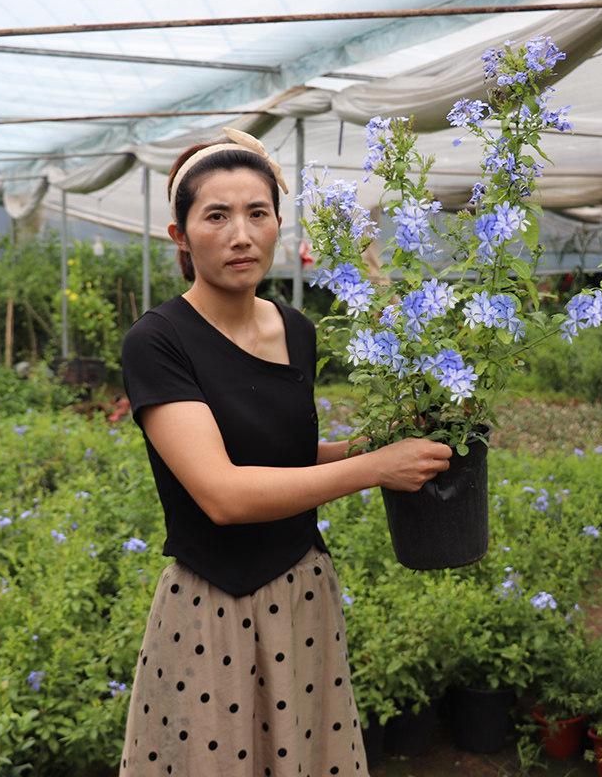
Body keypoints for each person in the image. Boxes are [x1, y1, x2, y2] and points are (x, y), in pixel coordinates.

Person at [118, 127, 452, 777]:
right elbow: (223, 494)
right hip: (212, 608)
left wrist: (365, 447)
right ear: (179, 237)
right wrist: (372, 468)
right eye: (216, 215)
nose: (241, 234)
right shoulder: (158, 342)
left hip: (302, 594)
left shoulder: (295, 329)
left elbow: (288, 459)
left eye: (257, 213)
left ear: (277, 223)